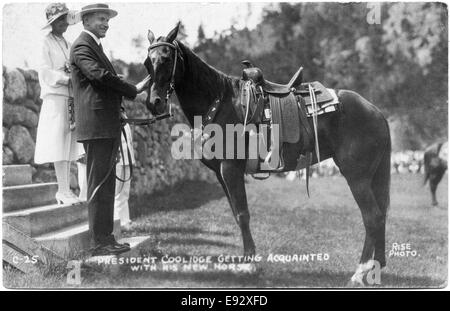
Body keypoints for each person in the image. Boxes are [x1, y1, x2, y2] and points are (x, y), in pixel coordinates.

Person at [70, 3, 150, 256]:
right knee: (98, 185)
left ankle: (106, 239)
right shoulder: (83, 46)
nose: (106, 23)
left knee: (105, 186)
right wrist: (133, 91)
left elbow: (103, 80)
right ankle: (99, 242)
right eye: (101, 19)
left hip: (105, 125)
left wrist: (128, 93)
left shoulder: (93, 46)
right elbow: (100, 76)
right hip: (97, 127)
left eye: (107, 19)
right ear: (86, 21)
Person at [35, 3, 84, 205]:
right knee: (58, 142)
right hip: (55, 97)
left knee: (68, 143)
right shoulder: (45, 42)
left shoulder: (67, 43)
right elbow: (44, 71)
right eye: (60, 20)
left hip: (70, 97)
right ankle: (62, 190)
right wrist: (65, 79)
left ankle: (66, 191)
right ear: (52, 23)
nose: (64, 24)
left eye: (65, 19)